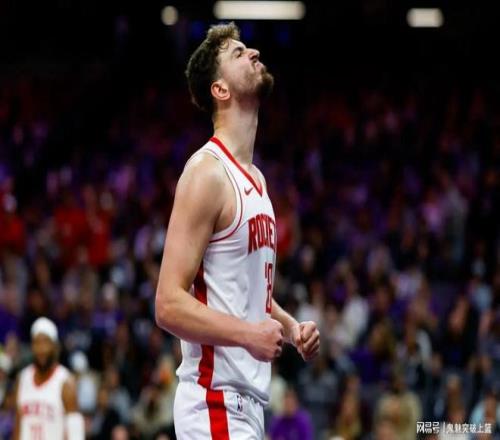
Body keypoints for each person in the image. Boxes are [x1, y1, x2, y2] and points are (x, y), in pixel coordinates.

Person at [155, 22, 320, 439]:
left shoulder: (257, 180)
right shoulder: (206, 173)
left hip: (247, 405)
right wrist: (248, 335)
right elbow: (168, 304)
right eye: (238, 53)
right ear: (220, 90)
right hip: (214, 402)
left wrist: (289, 327)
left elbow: (246, 294)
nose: (253, 53)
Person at [13, 317, 84, 440]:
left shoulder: (65, 381)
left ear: (55, 346)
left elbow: (76, 435)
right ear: (32, 346)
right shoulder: (22, 378)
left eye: (46, 342)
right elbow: (18, 426)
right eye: (37, 342)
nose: (41, 349)